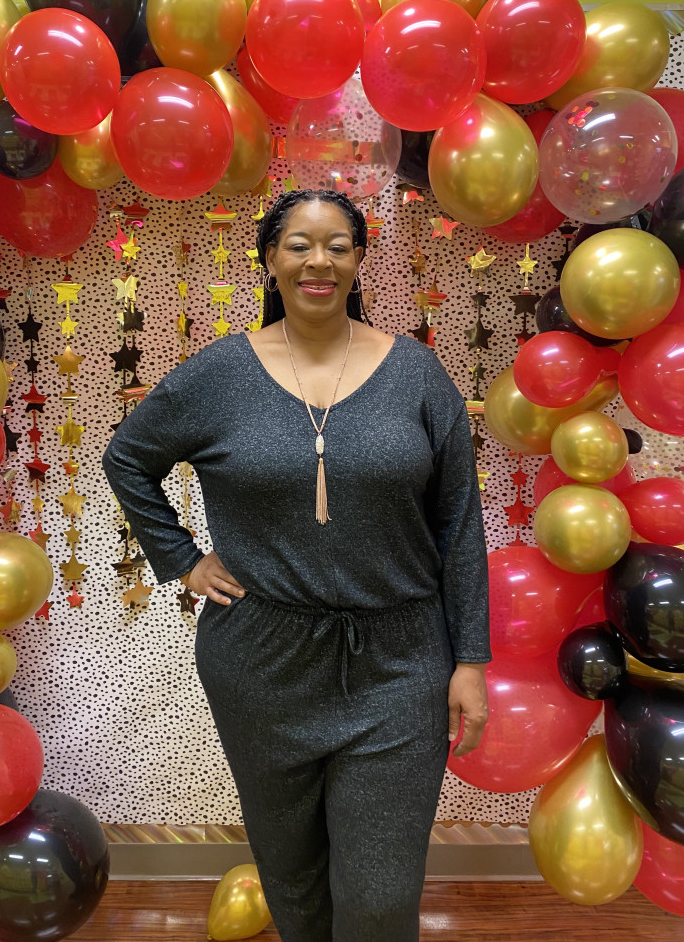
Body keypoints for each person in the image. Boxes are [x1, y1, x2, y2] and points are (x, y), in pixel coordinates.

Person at [103, 188, 490, 941]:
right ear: (270, 259)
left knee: (379, 895)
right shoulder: (219, 374)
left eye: (338, 246)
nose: (319, 262)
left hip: (400, 661)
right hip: (261, 661)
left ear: (359, 260)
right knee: (293, 880)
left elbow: (459, 523)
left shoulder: (416, 375)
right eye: (300, 245)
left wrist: (470, 659)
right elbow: (128, 458)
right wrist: (182, 560)